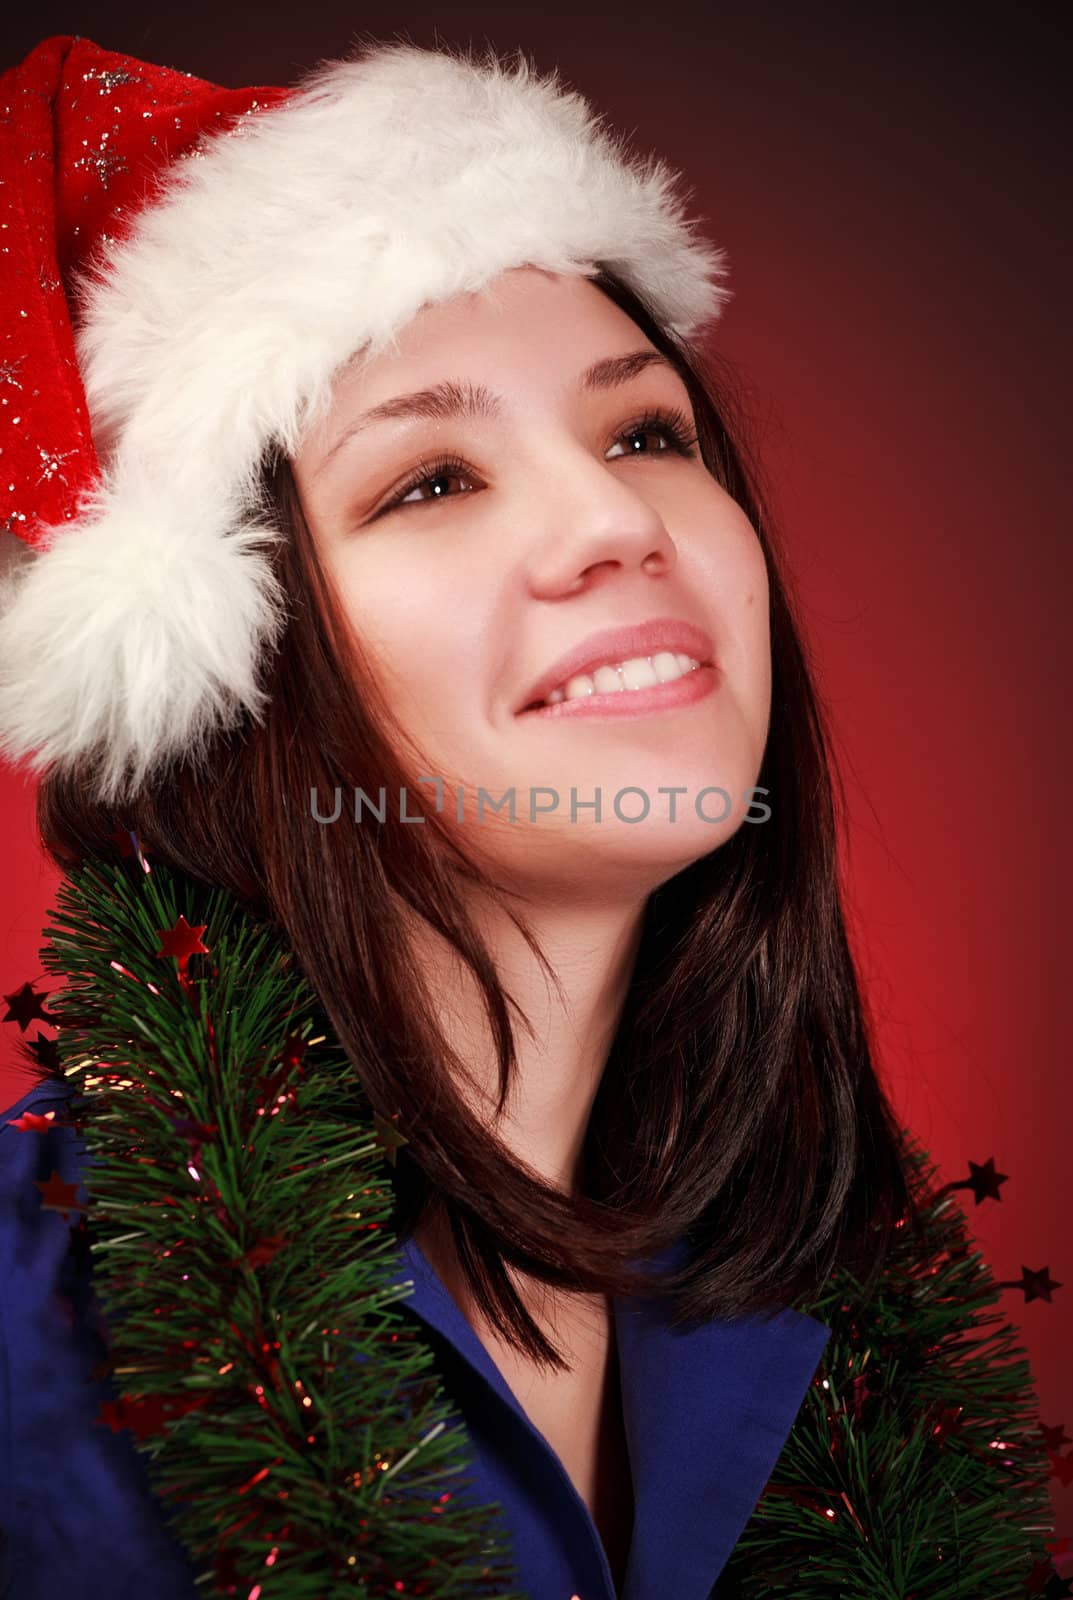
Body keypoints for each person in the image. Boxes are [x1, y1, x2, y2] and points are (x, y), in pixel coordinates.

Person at [0, 31, 1052, 1600]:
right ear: (225, 667)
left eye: (645, 433)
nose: (617, 521)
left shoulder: (846, 1300)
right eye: (430, 479)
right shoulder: (30, 1319)